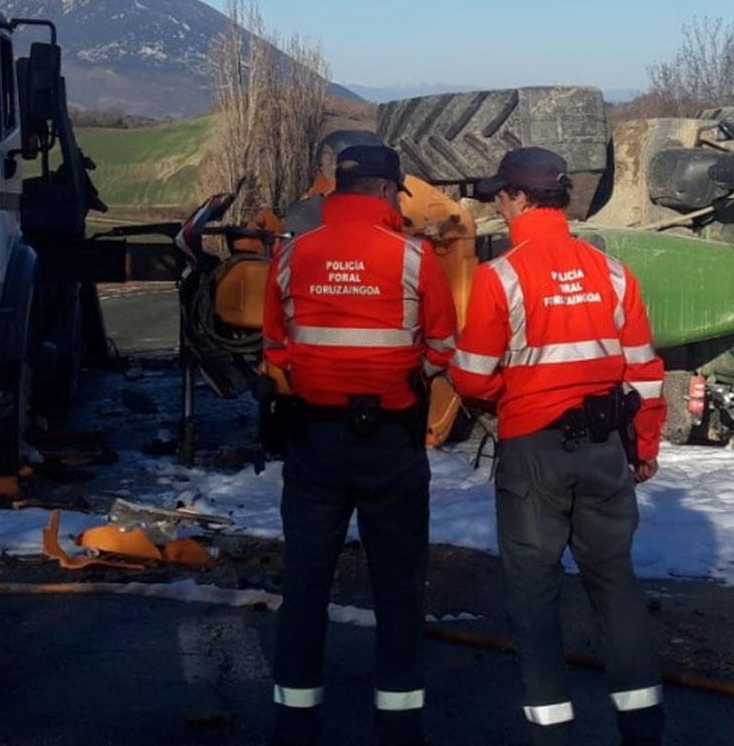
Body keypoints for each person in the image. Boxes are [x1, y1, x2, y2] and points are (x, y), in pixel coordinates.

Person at [449, 147, 668, 746]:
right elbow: (645, 373)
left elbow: (469, 376)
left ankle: (552, 732)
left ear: (520, 199)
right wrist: (643, 446)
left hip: (533, 453)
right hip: (605, 452)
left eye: (501, 194)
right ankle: (642, 729)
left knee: (534, 593)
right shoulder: (614, 273)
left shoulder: (501, 277)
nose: (497, 203)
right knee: (615, 584)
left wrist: (510, 392)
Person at [261, 144, 458, 746]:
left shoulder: (292, 255)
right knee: (398, 589)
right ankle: (398, 728)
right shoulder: (414, 258)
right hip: (392, 446)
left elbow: (274, 348)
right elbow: (444, 349)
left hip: (314, 441)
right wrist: (400, 380)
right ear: (383, 191)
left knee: (305, 583)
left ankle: (295, 726)